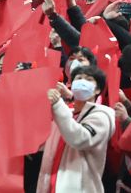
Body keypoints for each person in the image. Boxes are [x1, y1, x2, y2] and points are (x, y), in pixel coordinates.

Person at [36, 65, 115, 193]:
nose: (82, 81)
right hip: (51, 184)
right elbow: (41, 144)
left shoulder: (102, 116)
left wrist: (57, 105)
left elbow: (80, 139)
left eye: (89, 79)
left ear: (98, 89)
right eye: (79, 78)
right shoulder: (67, 113)